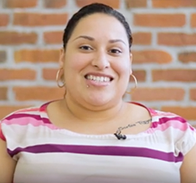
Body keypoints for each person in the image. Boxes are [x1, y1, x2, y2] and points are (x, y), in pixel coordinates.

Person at [0, 3, 196, 183]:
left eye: (115, 50)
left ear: (129, 62)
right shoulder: (14, 130)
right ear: (63, 56)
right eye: (85, 47)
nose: (101, 62)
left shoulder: (177, 134)